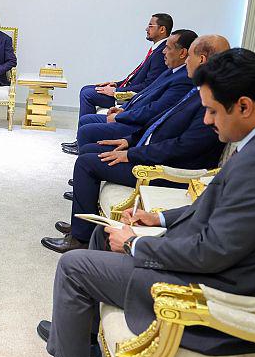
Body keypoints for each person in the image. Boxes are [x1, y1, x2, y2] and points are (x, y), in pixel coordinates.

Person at [21, 47, 255, 357]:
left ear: (244, 106)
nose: (207, 120)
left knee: (74, 267)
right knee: (103, 234)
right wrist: (160, 219)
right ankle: (83, 338)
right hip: (212, 260)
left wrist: (136, 244)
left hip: (216, 288)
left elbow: (212, 253)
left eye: (213, 111)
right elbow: (214, 203)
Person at [44, 35, 228, 254]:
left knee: (86, 163)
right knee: (89, 150)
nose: (186, 60)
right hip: (152, 152)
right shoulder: (197, 90)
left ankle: (80, 238)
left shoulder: (211, 100)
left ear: (202, 60)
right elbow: (160, 120)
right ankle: (84, 225)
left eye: (190, 56)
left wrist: (132, 154)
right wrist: (129, 141)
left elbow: (183, 147)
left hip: (168, 170)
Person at [64, 29, 197, 155]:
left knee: (86, 130)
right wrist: (123, 108)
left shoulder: (183, 79)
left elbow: (155, 109)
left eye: (168, 48)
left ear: (182, 53)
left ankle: (88, 157)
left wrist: (120, 113)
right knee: (85, 119)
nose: (164, 51)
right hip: (130, 113)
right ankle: (85, 151)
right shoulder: (172, 71)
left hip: (137, 125)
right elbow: (144, 93)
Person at [69, 13, 173, 127]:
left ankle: (84, 133)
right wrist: (116, 84)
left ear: (162, 29)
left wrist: (116, 91)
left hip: (132, 97)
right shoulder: (156, 50)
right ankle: (86, 131)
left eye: (150, 26)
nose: (146, 29)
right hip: (127, 90)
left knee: (87, 94)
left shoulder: (161, 53)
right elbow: (136, 76)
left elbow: (148, 86)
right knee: (86, 88)